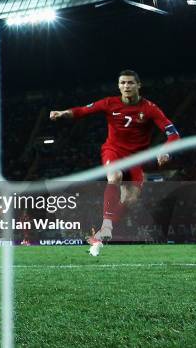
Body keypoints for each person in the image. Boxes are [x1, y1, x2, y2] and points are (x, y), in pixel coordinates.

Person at [49, 70, 179, 255]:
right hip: (114, 151)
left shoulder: (150, 108)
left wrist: (166, 151)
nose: (126, 86)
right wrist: (63, 113)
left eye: (130, 83)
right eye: (123, 83)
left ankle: (100, 233)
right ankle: (107, 225)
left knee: (131, 199)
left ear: (138, 85)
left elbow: (173, 133)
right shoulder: (110, 103)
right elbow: (83, 111)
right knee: (115, 176)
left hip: (136, 158)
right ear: (118, 86)